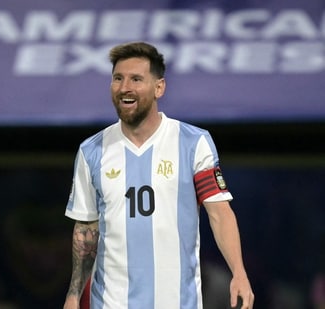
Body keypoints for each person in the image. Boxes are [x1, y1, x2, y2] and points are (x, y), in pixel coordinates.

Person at [62, 41, 254, 309]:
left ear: (159, 88)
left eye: (136, 79)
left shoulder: (193, 142)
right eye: (118, 78)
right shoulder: (91, 150)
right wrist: (73, 295)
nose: (125, 87)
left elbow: (219, 213)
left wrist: (239, 272)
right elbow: (86, 229)